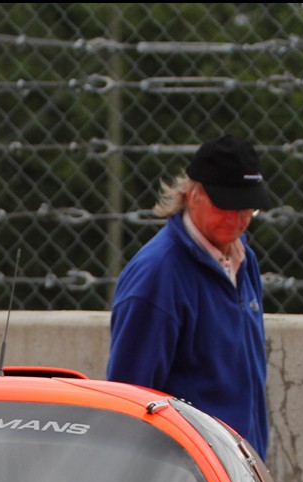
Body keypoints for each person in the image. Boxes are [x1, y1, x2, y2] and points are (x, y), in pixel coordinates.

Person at [107, 134, 274, 460]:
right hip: (189, 475)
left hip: (241, 465)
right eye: (223, 205)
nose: (236, 219)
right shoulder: (158, 274)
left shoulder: (243, 259)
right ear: (191, 194)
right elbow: (130, 397)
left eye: (246, 209)